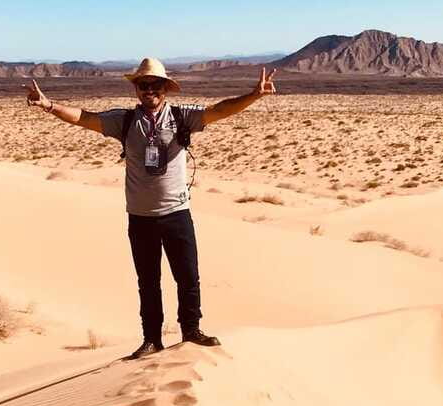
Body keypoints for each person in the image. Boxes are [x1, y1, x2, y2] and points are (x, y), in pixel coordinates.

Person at [24, 57, 277, 359]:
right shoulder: (125, 121)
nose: (149, 90)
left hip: (176, 214)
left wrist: (253, 95)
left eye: (155, 85)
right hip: (141, 218)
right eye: (143, 85)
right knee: (148, 282)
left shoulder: (183, 117)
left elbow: (219, 111)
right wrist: (48, 105)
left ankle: (191, 331)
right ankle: (152, 340)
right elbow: (85, 118)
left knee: (187, 276)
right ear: (136, 89)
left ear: (165, 88)